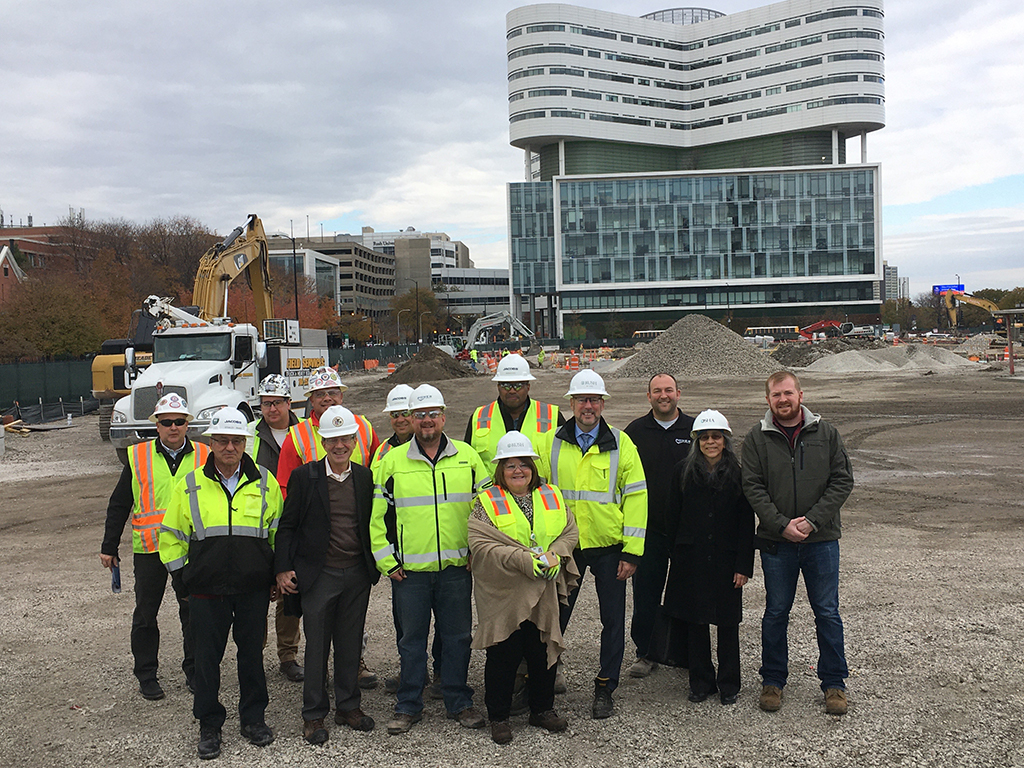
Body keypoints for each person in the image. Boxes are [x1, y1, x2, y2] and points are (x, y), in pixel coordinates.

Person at [160, 407, 284, 760]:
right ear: (210, 443)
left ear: (245, 443)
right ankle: (209, 726)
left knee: (251, 658)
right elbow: (170, 535)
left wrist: (276, 573)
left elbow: (277, 532)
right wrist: (181, 578)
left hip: (252, 589)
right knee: (206, 660)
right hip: (204, 590)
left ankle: (253, 719)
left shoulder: (265, 481)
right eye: (222, 441)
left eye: (236, 441)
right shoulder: (190, 485)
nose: (229, 447)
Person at [370, 384, 493, 735]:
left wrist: (476, 550)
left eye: (432, 414)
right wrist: (387, 561)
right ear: (411, 418)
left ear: (443, 416)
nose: (426, 421)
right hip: (410, 573)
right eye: (419, 415)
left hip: (456, 568)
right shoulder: (392, 461)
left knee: (457, 638)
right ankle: (408, 705)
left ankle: (459, 700)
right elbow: (377, 518)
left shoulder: (468, 457)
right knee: (411, 642)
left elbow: (488, 509)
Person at [741, 371, 854, 715]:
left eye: (788, 393)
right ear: (768, 400)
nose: (783, 400)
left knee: (827, 612)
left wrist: (811, 520)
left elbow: (842, 480)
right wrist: (781, 525)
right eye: (776, 395)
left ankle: (834, 684)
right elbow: (752, 488)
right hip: (778, 543)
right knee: (776, 613)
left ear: (800, 395)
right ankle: (772, 680)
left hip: (821, 540)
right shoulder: (756, 440)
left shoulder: (826, 433)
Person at [546, 370, 648, 719]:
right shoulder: (550, 442)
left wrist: (632, 551)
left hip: (608, 548)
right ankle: (542, 682)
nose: (588, 406)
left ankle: (606, 686)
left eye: (593, 400)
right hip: (564, 548)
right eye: (581, 400)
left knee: (612, 620)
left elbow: (636, 498)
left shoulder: (622, 444)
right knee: (554, 616)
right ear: (571, 403)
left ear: (602, 404)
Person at [275, 406, 380, 745]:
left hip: (356, 575)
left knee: (350, 645)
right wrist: (282, 568)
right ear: (323, 441)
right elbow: (287, 526)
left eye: (345, 439)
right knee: (317, 648)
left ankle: (348, 707)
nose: (339, 446)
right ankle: (314, 715)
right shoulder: (305, 477)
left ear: (354, 441)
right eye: (333, 440)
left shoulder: (364, 478)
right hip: (320, 576)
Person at [469, 432, 579, 745]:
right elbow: (480, 542)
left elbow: (570, 531)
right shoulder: (486, 502)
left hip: (543, 588)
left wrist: (555, 555)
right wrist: (521, 560)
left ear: (532, 466)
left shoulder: (552, 494)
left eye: (523, 464)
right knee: (503, 653)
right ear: (500, 471)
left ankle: (542, 709)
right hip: (505, 592)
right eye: (510, 466)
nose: (518, 471)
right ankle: (499, 717)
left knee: (542, 648)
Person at [100, 394, 209, 701]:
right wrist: (109, 545)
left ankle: (194, 670)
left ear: (187, 425)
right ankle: (146, 674)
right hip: (149, 550)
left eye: (179, 421)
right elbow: (120, 504)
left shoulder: (204, 455)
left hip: (191, 550)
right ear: (157, 426)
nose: (173, 427)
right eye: (166, 422)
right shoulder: (138, 457)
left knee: (193, 612)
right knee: (146, 614)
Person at [662, 410, 754, 706]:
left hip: (727, 561)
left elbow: (745, 524)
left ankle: (729, 684)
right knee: (696, 624)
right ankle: (701, 682)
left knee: (728, 624)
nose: (710, 442)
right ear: (696, 441)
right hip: (692, 560)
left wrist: (743, 566)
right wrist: (675, 555)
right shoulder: (682, 471)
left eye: (716, 437)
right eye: (705, 437)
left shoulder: (739, 474)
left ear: (725, 440)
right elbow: (672, 516)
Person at [623, 373, 694, 678]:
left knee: (687, 593)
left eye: (668, 390)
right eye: (656, 391)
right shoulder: (635, 432)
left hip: (685, 531)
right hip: (648, 531)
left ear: (678, 393)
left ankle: (687, 652)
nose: (663, 395)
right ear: (647, 395)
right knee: (646, 593)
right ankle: (646, 652)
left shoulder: (695, 429)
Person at [250, 373, 304, 684]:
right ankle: (253, 654)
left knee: (288, 593)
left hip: (296, 525)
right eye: (266, 403)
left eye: (278, 402)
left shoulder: (306, 432)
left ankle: (288, 655)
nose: (272, 409)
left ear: (288, 402)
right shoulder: (249, 436)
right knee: (257, 594)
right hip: (259, 526)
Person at [276, 366, 380, 494]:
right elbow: (285, 485)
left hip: (360, 506)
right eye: (320, 394)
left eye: (332, 393)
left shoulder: (363, 426)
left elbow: (378, 472)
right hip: (316, 510)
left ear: (341, 396)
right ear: (311, 400)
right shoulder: (296, 436)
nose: (327, 398)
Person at [464, 353, 563, 479]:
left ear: (528, 387)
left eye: (518, 385)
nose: (511, 390)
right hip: (492, 497)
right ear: (498, 386)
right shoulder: (478, 417)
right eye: (506, 385)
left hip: (538, 496)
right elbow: (468, 463)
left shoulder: (552, 416)